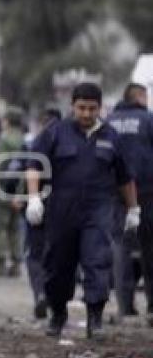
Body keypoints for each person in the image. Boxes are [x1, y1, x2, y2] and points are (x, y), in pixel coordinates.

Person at [26, 82, 140, 339]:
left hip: (97, 212)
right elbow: (34, 165)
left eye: (92, 108)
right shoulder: (55, 132)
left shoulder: (112, 137)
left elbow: (125, 177)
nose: (87, 114)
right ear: (72, 106)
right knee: (57, 266)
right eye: (81, 108)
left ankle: (95, 318)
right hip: (61, 212)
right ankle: (58, 313)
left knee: (97, 262)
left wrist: (134, 209)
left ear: (100, 108)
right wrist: (34, 198)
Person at [106, 83, 153, 325]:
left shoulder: (109, 120)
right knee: (149, 248)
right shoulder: (148, 119)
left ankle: (125, 305)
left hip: (116, 192)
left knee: (121, 247)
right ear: (140, 97)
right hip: (147, 190)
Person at [23, 107, 61, 319]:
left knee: (35, 254)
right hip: (62, 207)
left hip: (39, 204)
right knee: (56, 254)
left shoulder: (35, 141)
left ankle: (40, 294)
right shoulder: (69, 139)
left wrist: (26, 198)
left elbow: (26, 171)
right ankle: (50, 296)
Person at [0, 107, 27, 277]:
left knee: (0, 228)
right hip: (20, 190)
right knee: (15, 228)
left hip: (4, 189)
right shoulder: (25, 140)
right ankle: (17, 262)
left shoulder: (4, 141)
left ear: (7, 121)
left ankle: (1, 262)